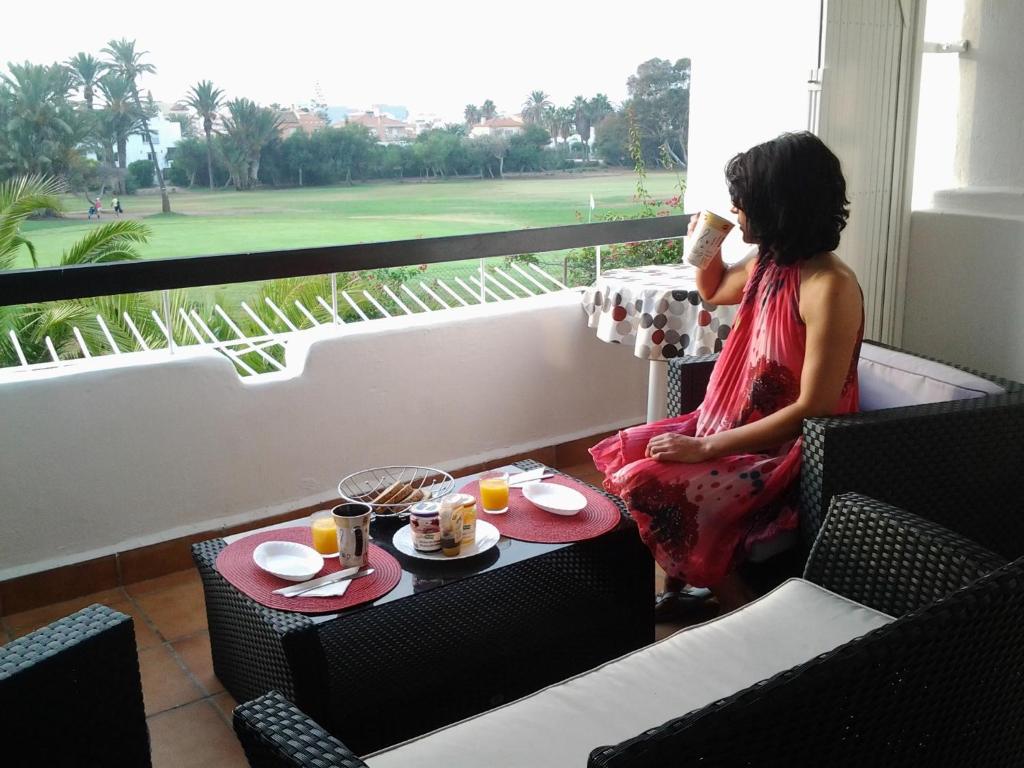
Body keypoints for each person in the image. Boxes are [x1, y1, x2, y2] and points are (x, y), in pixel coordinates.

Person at [591, 131, 863, 618]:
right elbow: (714, 289)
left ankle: (748, 618)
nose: (736, 211)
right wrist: (703, 246)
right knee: (630, 451)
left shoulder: (829, 286)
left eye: (743, 204)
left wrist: (703, 448)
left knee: (650, 480)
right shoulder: (769, 261)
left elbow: (815, 409)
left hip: (788, 448)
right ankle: (686, 589)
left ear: (780, 206)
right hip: (729, 424)